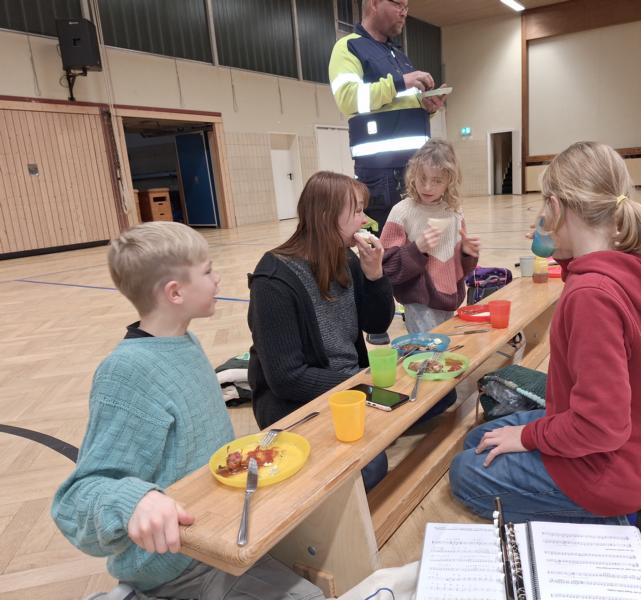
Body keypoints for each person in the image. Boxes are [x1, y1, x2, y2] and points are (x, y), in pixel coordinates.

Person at [51, 222, 323, 600]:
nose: (217, 278)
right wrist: (135, 501)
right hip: (181, 566)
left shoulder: (184, 340)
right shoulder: (127, 372)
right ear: (175, 292)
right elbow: (77, 500)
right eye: (208, 271)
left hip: (220, 531)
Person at [449, 141, 641, 525]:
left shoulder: (591, 296)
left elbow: (600, 426)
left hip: (605, 468)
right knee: (479, 441)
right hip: (631, 449)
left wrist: (528, 437)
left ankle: (608, 519)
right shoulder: (626, 266)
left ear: (555, 207)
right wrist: (559, 246)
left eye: (544, 204)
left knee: (465, 474)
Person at [247, 171, 395, 491]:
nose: (365, 220)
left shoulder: (346, 259)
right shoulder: (273, 280)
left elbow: (376, 325)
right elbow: (287, 378)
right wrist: (360, 385)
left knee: (438, 399)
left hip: (350, 383)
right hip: (298, 400)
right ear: (327, 215)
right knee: (371, 468)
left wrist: (375, 275)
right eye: (357, 211)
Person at [328, 0, 447, 234]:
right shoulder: (349, 47)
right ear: (374, 3)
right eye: (398, 5)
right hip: (383, 177)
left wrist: (427, 107)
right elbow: (348, 99)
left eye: (406, 7)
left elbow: (399, 108)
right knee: (389, 250)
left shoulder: (399, 56)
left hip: (417, 172)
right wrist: (399, 83)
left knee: (420, 246)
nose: (404, 13)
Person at [380, 138, 481, 333]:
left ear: (449, 181)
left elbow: (460, 266)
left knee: (443, 346)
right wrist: (417, 249)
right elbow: (387, 266)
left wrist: (467, 253)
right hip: (419, 301)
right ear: (413, 176)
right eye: (422, 178)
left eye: (437, 181)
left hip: (449, 297)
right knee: (428, 348)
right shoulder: (402, 212)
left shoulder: (454, 211)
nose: (427, 187)